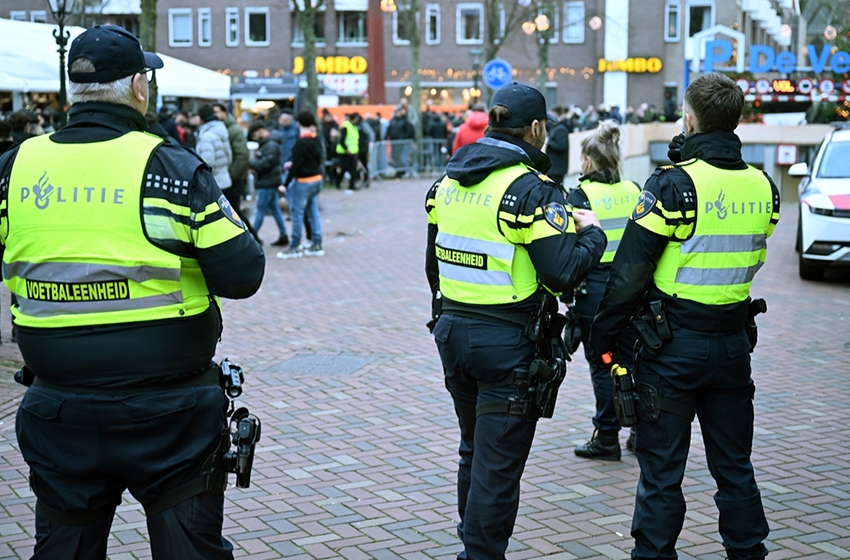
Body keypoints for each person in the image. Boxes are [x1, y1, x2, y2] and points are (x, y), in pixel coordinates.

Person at [0, 24, 265, 558]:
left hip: (58, 408)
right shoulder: (168, 168)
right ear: (139, 87)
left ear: (72, 89)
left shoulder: (14, 169)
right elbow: (243, 274)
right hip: (169, 416)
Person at [589, 72, 779, 560]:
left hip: (669, 348)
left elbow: (630, 273)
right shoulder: (764, 187)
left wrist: (603, 337)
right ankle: (747, 552)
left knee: (661, 473)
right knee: (735, 466)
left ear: (690, 119)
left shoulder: (673, 186)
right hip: (733, 346)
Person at [425, 82, 606, 560]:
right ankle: (480, 554)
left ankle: (472, 542)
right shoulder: (531, 190)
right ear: (536, 129)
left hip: (452, 332)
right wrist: (595, 237)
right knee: (497, 466)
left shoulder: (446, 183)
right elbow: (562, 269)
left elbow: (433, 266)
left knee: (474, 449)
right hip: (509, 343)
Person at [566, 121, 641, 460]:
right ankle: (640, 430)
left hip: (595, 291)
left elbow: (571, 248)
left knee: (603, 362)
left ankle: (607, 434)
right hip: (634, 289)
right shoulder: (635, 189)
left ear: (587, 161)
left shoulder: (579, 196)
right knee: (636, 358)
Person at [277, 111, 325, 259]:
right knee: (313, 212)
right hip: (316, 179)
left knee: (297, 213)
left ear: (298, 124)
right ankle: (316, 243)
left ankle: (295, 245)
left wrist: (285, 183)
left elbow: (296, 166)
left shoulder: (300, 143)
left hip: (303, 182)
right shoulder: (316, 140)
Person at [213, 102, 258, 243]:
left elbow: (242, 155)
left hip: (234, 179)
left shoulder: (233, 130)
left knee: (233, 211)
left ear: (224, 112)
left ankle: (252, 239)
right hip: (229, 178)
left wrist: (231, 176)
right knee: (231, 211)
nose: (215, 115)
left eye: (217, 112)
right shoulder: (223, 129)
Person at [247, 120, 289, 247]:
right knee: (274, 209)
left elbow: (266, 164)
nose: (254, 139)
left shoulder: (270, 145)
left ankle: (251, 237)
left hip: (267, 182)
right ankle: (283, 235)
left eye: (254, 135)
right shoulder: (270, 143)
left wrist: (251, 162)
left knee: (260, 210)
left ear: (260, 131)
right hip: (270, 180)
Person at [196, 104, 233, 195]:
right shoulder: (221, 130)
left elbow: (207, 162)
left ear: (201, 118)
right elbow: (229, 156)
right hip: (224, 180)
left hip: (213, 183)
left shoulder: (206, 136)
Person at [544, 107, 571, 188]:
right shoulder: (555, 127)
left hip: (558, 167)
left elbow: (562, 146)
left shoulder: (561, 129)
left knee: (557, 188)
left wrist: (549, 142)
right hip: (555, 167)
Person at [335, 113, 360, 190]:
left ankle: (352, 185)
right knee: (345, 169)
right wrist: (346, 149)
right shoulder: (346, 126)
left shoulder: (353, 127)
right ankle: (338, 182)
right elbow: (342, 140)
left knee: (352, 169)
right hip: (344, 152)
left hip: (352, 152)